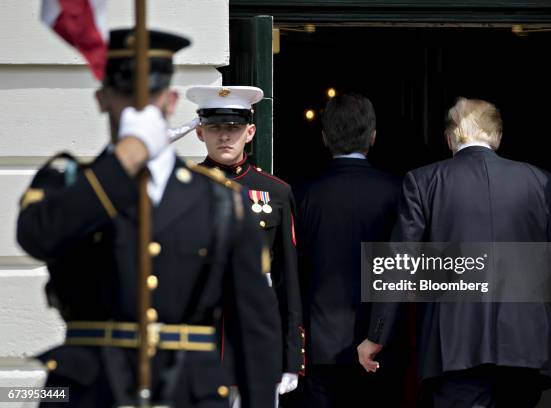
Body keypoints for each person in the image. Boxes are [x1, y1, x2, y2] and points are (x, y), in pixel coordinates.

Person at [16, 29, 281, 408]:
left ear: (170, 101)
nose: (137, 107)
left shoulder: (218, 201)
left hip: (188, 394)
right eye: (126, 96)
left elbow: (255, 330)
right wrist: (125, 158)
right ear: (102, 99)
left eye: (150, 97)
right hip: (89, 393)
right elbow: (38, 237)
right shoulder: (67, 183)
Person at [358, 97, 551, 408]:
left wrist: (376, 335)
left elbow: (399, 264)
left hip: (454, 347)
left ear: (450, 138)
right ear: (498, 137)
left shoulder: (423, 181)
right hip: (525, 346)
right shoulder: (538, 180)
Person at [185, 85, 304, 402]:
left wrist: (292, 357)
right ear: (200, 133)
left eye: (234, 128)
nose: (224, 136)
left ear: (250, 132)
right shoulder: (181, 190)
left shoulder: (275, 192)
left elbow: (287, 280)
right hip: (197, 348)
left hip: (255, 346)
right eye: (215, 128)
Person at [293, 93, 404, 407]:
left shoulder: (303, 194)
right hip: (381, 343)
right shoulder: (396, 191)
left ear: (325, 137)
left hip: (320, 344)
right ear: (373, 137)